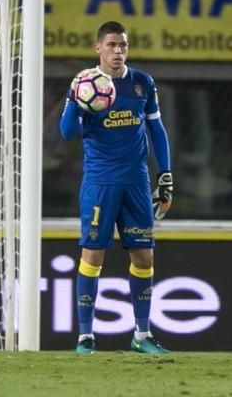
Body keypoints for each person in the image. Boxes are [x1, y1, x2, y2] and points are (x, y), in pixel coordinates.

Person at [59, 21, 173, 355]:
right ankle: (85, 338)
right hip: (100, 182)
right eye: (111, 45)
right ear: (98, 49)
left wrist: (164, 175)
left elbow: (157, 130)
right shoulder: (84, 85)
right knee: (93, 254)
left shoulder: (142, 83)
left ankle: (141, 334)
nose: (118, 51)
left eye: (123, 45)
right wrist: (75, 101)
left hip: (136, 181)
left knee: (144, 255)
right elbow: (66, 133)